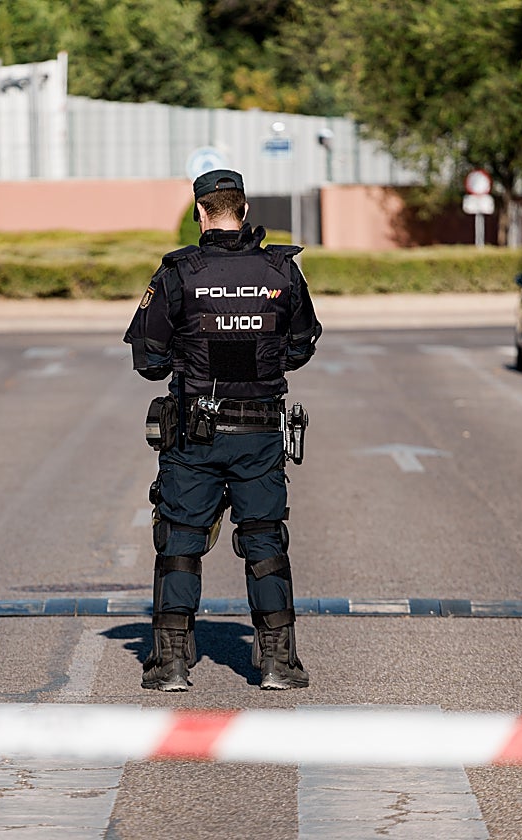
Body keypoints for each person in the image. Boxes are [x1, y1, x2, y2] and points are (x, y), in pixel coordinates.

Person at [123, 169, 322, 692]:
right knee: (264, 541)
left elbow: (148, 359)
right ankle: (279, 662)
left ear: (199, 211)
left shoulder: (178, 273)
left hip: (195, 434)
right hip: (258, 434)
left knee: (180, 541)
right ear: (245, 209)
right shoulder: (281, 271)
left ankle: (170, 664)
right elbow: (301, 347)